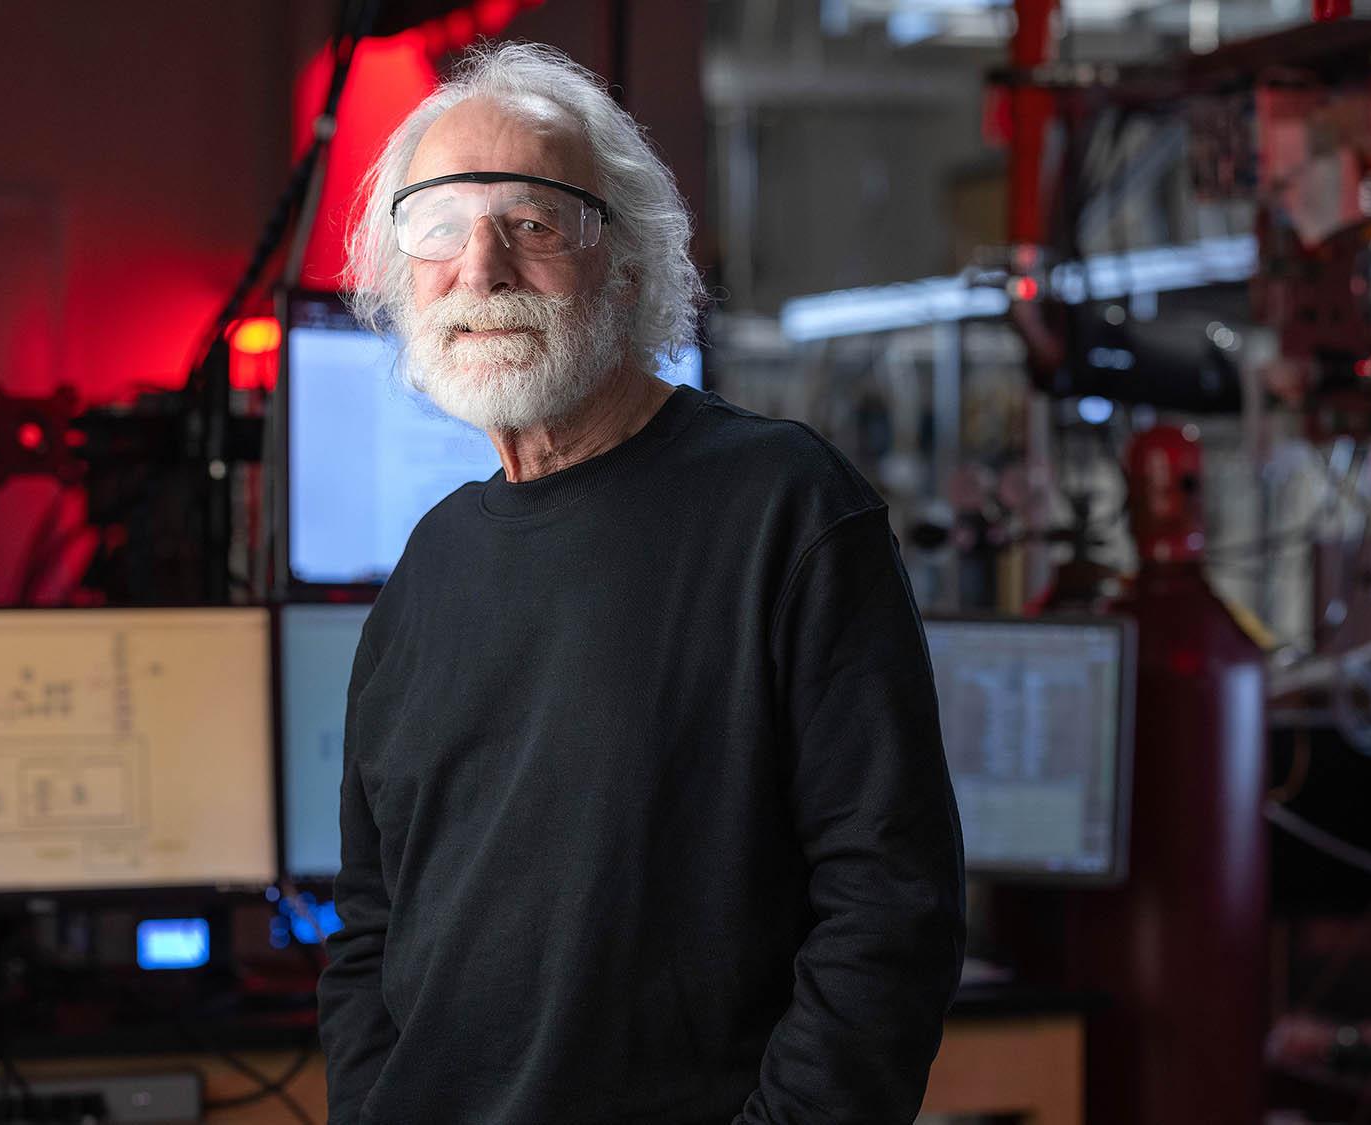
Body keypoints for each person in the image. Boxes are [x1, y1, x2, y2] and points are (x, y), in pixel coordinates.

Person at [319, 41, 964, 1125]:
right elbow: (370, 923)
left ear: (625, 261)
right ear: (395, 272)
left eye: (531, 223)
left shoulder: (782, 507)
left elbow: (887, 905)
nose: (479, 270)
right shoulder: (427, 568)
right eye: (436, 228)